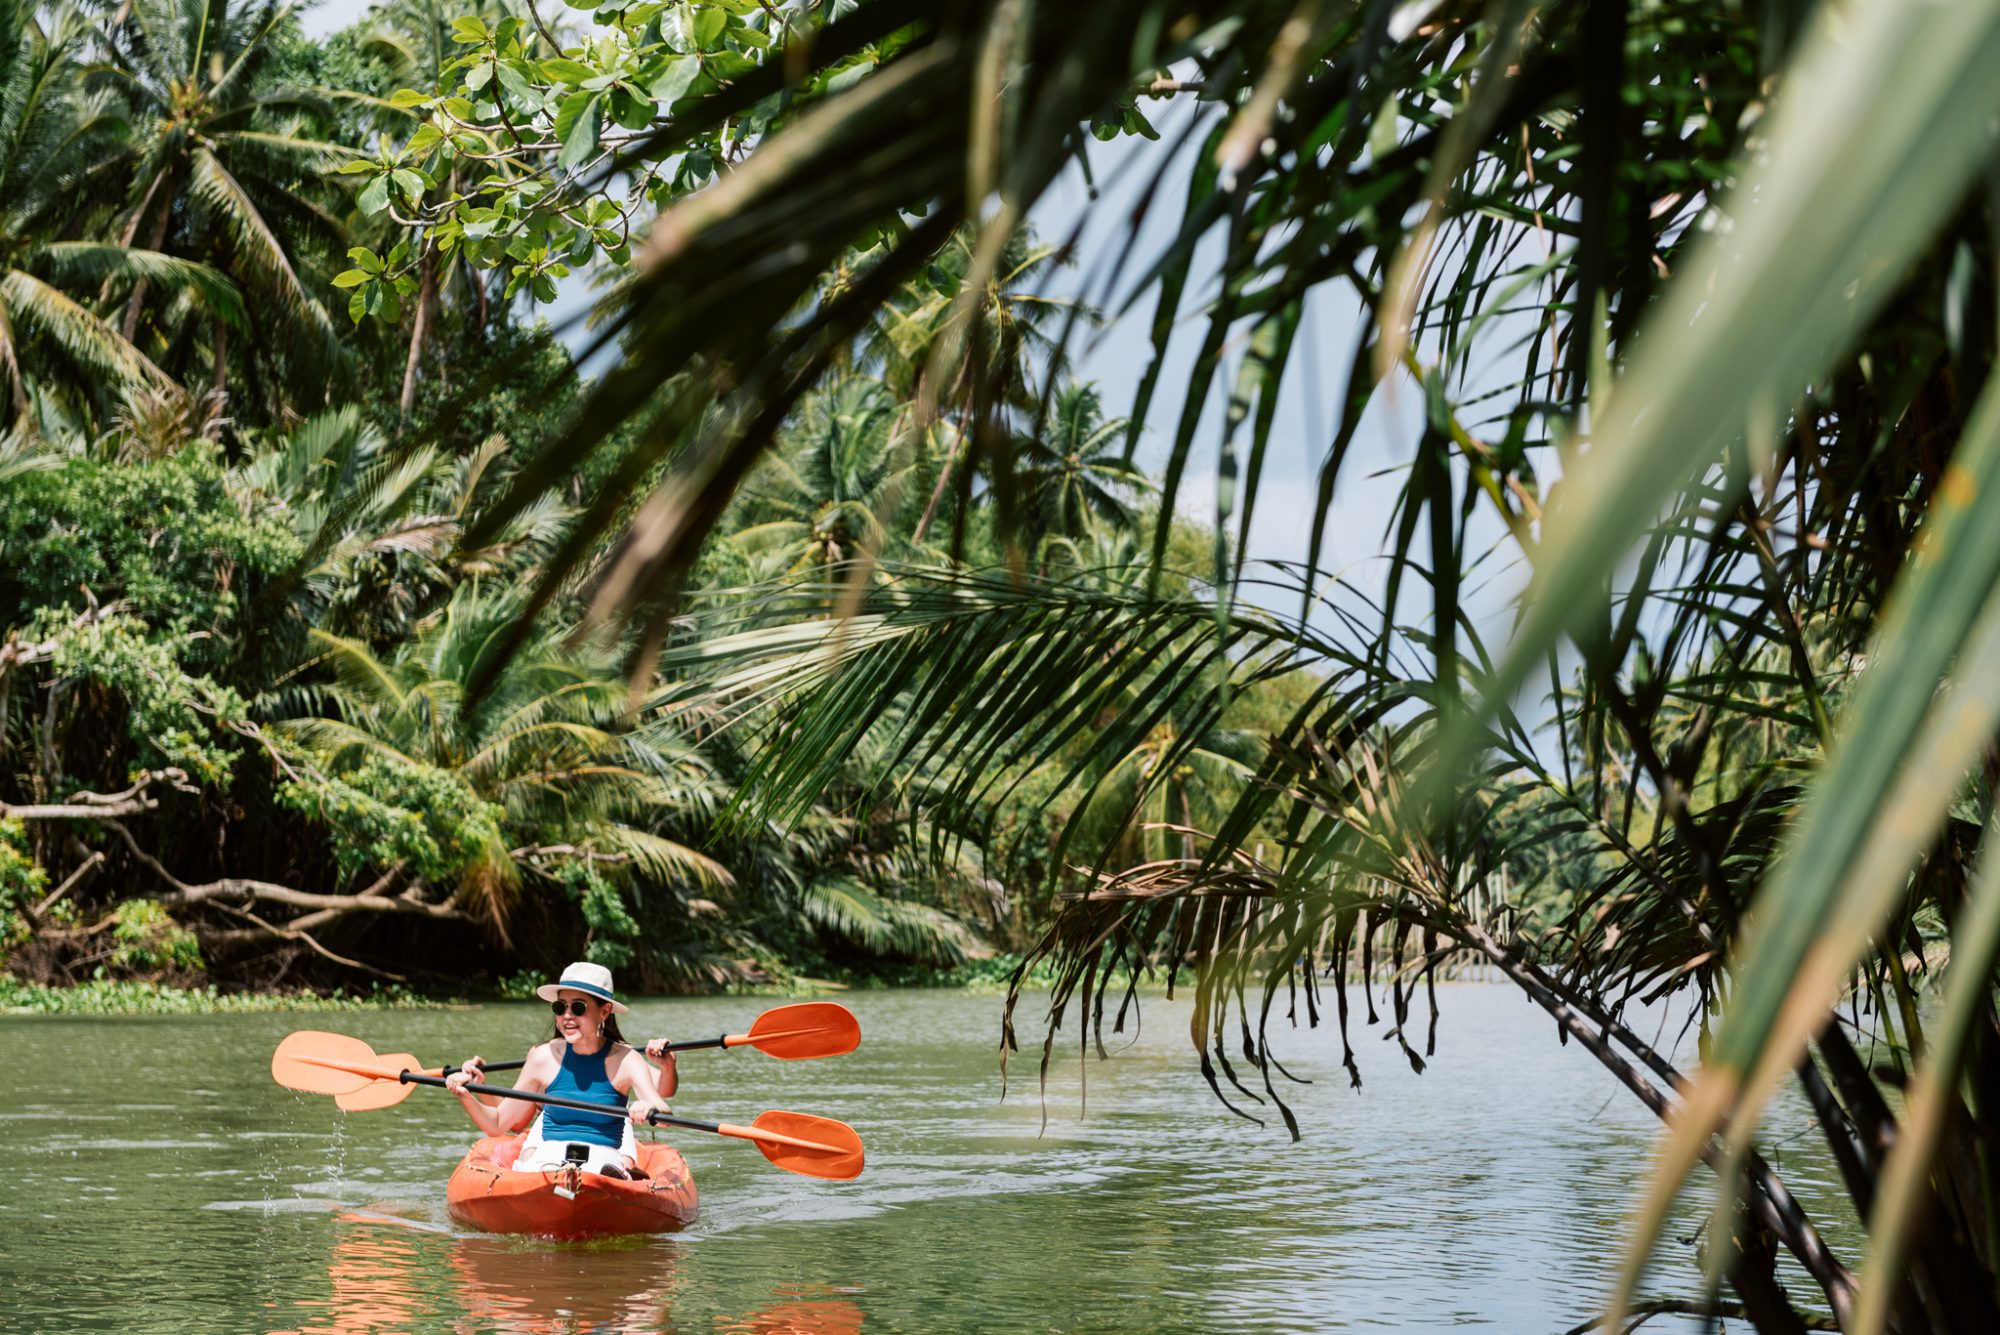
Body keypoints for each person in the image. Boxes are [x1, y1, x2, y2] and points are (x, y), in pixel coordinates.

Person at [444, 962, 673, 1179]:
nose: (567, 1016)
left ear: (604, 1012)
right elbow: (498, 1123)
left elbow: (663, 1113)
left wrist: (649, 1107)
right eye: (560, 1006)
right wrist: (465, 1094)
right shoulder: (542, 1057)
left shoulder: (627, 1059)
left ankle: (612, 1181)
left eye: (578, 1007)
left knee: (602, 1171)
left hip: (603, 1159)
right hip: (548, 1157)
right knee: (546, 1168)